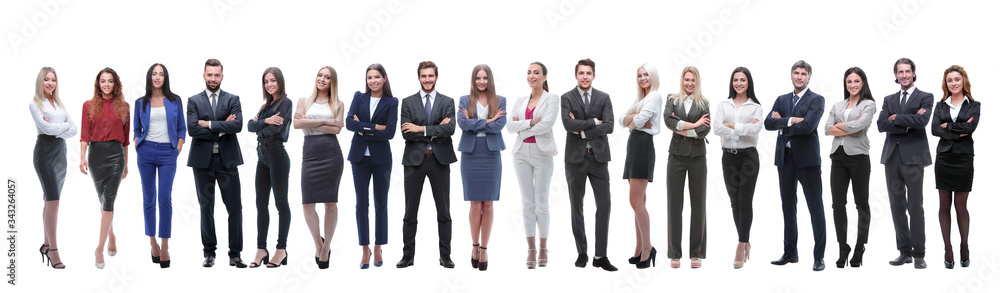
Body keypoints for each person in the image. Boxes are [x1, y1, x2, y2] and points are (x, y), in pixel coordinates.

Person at [763, 60, 827, 271]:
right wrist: (792, 120)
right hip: (785, 159)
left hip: (808, 161)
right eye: (796, 73)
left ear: (809, 77)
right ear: (791, 76)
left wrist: (783, 121)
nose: (799, 77)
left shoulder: (816, 99)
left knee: (815, 208)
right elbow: (767, 124)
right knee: (787, 207)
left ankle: (819, 257)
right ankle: (790, 252)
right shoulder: (781, 99)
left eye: (803, 74)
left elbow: (809, 126)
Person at [397, 61, 457, 269]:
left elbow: (450, 129)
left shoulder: (447, 101)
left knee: (444, 211)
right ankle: (408, 255)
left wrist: (420, 128)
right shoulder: (407, 102)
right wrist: (433, 129)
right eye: (424, 76)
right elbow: (406, 132)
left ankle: (445, 256)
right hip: (414, 162)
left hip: (440, 160)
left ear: (436, 77)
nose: (427, 80)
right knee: (410, 211)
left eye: (431, 76)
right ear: (419, 77)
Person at [187, 58, 246, 268]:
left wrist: (209, 124)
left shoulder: (232, 99)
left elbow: (238, 125)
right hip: (202, 162)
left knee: (235, 208)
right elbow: (192, 129)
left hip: (227, 161)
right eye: (209, 75)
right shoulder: (194, 100)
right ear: (204, 75)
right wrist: (222, 128)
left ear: (222, 76)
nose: (213, 79)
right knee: (206, 208)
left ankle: (235, 254)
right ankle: (209, 253)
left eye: (217, 75)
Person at [561, 58, 618, 271]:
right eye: (581, 73)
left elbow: (610, 126)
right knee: (577, 206)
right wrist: (595, 122)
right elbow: (567, 124)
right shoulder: (566, 97)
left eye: (588, 73)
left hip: (599, 158)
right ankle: (582, 253)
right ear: (576, 75)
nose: (585, 76)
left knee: (604, 205)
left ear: (594, 75)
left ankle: (600, 255)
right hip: (574, 160)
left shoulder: (604, 98)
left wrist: (582, 129)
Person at [877, 58, 933, 269]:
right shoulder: (888, 98)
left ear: (914, 72)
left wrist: (895, 118)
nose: (904, 75)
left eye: (907, 71)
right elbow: (881, 125)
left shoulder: (925, 97)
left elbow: (922, 122)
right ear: (895, 75)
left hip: (914, 158)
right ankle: (904, 252)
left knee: (915, 205)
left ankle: (919, 253)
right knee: (896, 206)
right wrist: (906, 121)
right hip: (892, 157)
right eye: (900, 72)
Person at [133, 63, 186, 269]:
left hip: (168, 152)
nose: (157, 77)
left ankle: (165, 245)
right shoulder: (141, 102)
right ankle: (152, 242)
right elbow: (137, 127)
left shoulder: (174, 100)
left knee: (164, 198)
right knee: (149, 199)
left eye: (161, 74)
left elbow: (182, 128)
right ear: (149, 77)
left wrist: (177, 148)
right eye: (154, 74)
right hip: (145, 151)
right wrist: (138, 143)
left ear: (165, 78)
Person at [346, 63, 398, 269]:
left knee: (381, 203)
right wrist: (376, 127)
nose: (373, 81)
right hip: (359, 158)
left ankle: (378, 246)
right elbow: (349, 123)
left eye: (377, 77)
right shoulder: (359, 97)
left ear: (384, 78)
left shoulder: (392, 102)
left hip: (381, 159)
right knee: (361, 204)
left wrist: (363, 128)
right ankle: (364, 248)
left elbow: (391, 132)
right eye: (369, 77)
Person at [823, 67, 876, 268]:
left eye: (856, 81)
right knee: (838, 205)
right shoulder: (837, 105)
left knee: (861, 204)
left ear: (863, 83)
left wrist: (841, 127)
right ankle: (842, 247)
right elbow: (827, 129)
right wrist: (850, 126)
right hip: (838, 158)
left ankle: (860, 247)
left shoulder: (869, 104)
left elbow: (860, 126)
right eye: (849, 82)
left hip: (859, 158)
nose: (852, 85)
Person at [293, 66, 345, 270]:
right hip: (311, 153)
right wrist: (326, 120)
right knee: (307, 205)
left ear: (333, 82)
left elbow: (337, 129)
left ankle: (327, 247)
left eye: (327, 77)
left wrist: (309, 121)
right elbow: (296, 126)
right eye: (320, 75)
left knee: (330, 204)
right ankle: (318, 243)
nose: (322, 79)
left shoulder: (339, 104)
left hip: (331, 153)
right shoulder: (303, 101)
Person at [508, 62, 559, 269]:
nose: (532, 76)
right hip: (520, 153)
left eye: (536, 73)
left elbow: (547, 124)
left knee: (541, 202)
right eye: (529, 72)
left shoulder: (552, 99)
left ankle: (543, 247)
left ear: (544, 77)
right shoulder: (521, 100)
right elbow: (510, 126)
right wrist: (529, 123)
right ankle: (530, 249)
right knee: (527, 203)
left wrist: (521, 128)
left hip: (542, 154)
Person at [712, 67, 763, 269]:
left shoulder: (756, 107)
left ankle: (741, 245)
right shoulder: (723, 104)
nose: (739, 83)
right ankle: (745, 240)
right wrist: (741, 128)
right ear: (731, 82)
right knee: (734, 202)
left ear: (748, 82)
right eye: (736, 80)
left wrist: (730, 125)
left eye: (743, 80)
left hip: (749, 157)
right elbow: (716, 128)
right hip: (728, 157)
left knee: (745, 200)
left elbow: (756, 129)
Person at [80, 67, 130, 269]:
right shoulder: (88, 105)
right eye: (103, 81)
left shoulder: (125, 107)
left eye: (110, 81)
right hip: (96, 156)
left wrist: (127, 163)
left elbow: (126, 140)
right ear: (98, 83)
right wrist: (82, 157)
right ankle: (111, 235)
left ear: (115, 84)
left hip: (117, 155)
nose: (107, 84)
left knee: (109, 199)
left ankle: (99, 248)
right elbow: (84, 134)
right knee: (102, 199)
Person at [457, 64, 506, 271]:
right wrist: (488, 119)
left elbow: (498, 126)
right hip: (471, 154)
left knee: (488, 205)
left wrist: (477, 122)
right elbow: (462, 124)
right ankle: (474, 247)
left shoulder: (500, 100)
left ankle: (484, 249)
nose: (481, 81)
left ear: (490, 79)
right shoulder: (464, 100)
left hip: (491, 155)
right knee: (475, 205)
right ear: (473, 80)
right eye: (478, 78)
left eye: (485, 78)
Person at [662, 66, 711, 269]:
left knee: (698, 205)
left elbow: (705, 128)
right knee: (674, 205)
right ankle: (675, 252)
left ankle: (696, 252)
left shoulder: (704, 102)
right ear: (682, 80)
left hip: (698, 157)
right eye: (686, 80)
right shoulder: (672, 99)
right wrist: (693, 124)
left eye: (693, 80)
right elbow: (667, 120)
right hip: (676, 157)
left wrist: (681, 127)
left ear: (697, 82)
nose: (689, 83)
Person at [930, 65, 979, 269]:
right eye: (950, 80)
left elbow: (970, 128)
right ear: (946, 84)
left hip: (963, 159)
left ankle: (964, 246)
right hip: (944, 158)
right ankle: (948, 248)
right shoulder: (940, 106)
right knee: (943, 205)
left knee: (961, 206)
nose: (954, 83)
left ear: (963, 81)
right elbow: (933, 129)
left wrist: (947, 126)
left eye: (957, 79)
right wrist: (958, 130)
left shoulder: (974, 105)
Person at [30, 67, 77, 269]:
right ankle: (53, 250)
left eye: (53, 80)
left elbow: (74, 129)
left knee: (49, 200)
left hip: (61, 154)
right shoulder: (35, 104)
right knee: (54, 201)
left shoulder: (59, 105)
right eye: (46, 80)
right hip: (45, 154)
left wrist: (57, 130)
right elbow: (46, 129)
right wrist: (62, 128)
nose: (50, 83)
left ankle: (46, 244)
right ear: (40, 82)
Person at [247, 67, 294, 268]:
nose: (269, 84)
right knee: (260, 204)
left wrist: (261, 127)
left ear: (280, 82)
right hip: (262, 158)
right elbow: (249, 125)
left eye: (273, 80)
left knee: (281, 204)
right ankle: (261, 248)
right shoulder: (266, 106)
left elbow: (275, 130)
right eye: (266, 81)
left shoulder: (286, 103)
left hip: (277, 157)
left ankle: (281, 249)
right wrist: (264, 121)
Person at [619, 63, 662, 269]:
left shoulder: (654, 96)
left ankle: (648, 248)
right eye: (639, 75)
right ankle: (639, 248)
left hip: (642, 146)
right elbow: (621, 119)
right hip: (634, 145)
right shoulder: (641, 99)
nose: (643, 78)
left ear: (653, 77)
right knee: (638, 201)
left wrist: (631, 120)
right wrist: (631, 120)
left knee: (635, 201)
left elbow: (642, 119)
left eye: (646, 75)